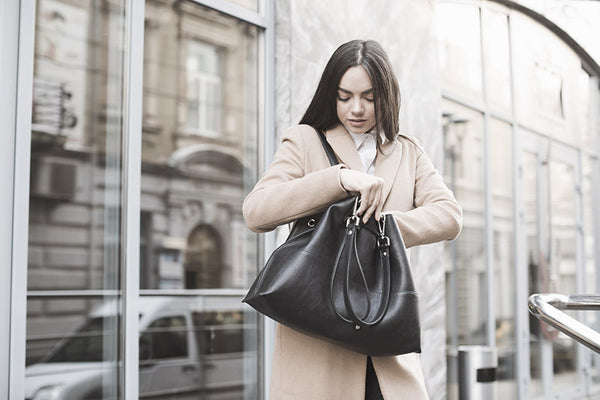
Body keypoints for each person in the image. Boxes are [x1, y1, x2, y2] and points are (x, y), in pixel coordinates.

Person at [243, 39, 462, 400]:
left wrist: (380, 229)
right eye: (345, 96)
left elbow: (449, 215)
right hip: (317, 341)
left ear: (386, 96)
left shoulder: (407, 151)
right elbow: (256, 211)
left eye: (369, 97)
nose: (356, 109)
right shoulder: (305, 141)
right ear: (332, 94)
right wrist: (338, 180)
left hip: (386, 339)